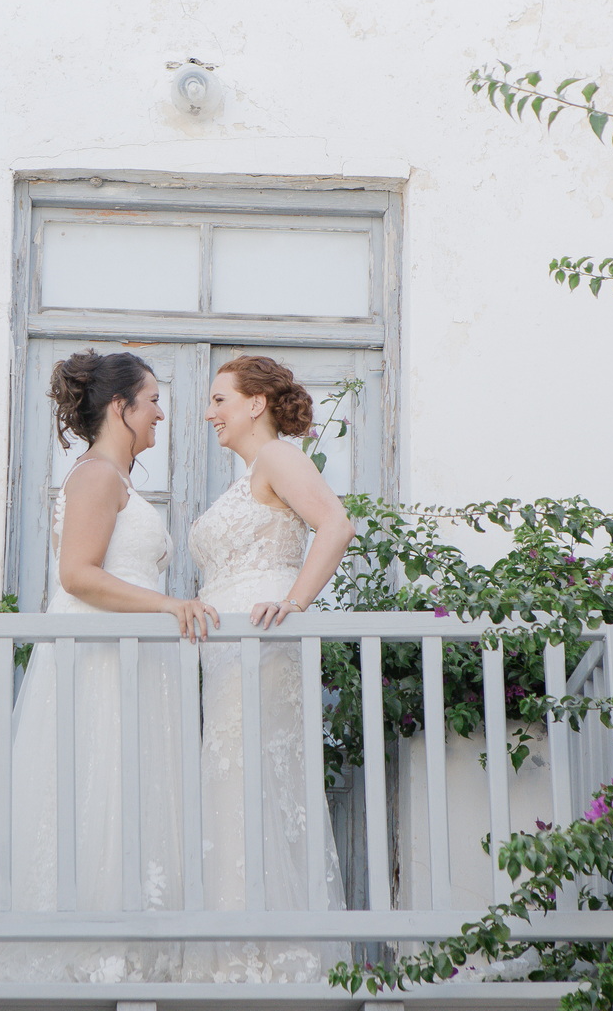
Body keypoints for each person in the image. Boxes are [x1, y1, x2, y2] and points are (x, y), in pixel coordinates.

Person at [0, 349, 215, 983]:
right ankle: (95, 951)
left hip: (127, 659)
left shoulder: (110, 476)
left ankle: (124, 943)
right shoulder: (97, 475)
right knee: (100, 785)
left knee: (120, 790)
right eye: (153, 401)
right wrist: (169, 605)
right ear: (120, 407)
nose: (161, 414)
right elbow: (77, 574)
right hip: (101, 658)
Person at [187, 354, 355, 982]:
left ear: (255, 403)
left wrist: (295, 603)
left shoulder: (279, 457)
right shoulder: (251, 473)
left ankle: (263, 960)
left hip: (263, 645)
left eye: (220, 400)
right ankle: (236, 952)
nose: (210, 413)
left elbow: (336, 525)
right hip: (229, 655)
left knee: (255, 784)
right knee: (234, 786)